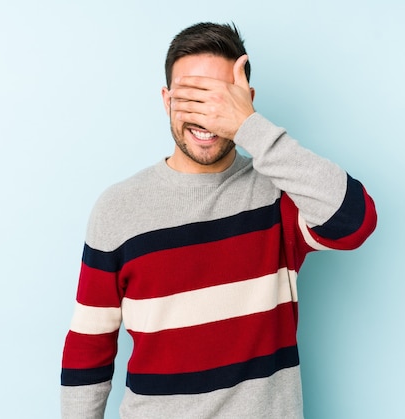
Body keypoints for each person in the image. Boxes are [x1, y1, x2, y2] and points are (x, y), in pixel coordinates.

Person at [60, 22, 377, 419]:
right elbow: (89, 347)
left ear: (246, 101)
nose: (205, 116)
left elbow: (355, 221)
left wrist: (251, 128)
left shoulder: (280, 196)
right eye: (191, 98)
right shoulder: (117, 210)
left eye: (219, 99)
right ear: (166, 100)